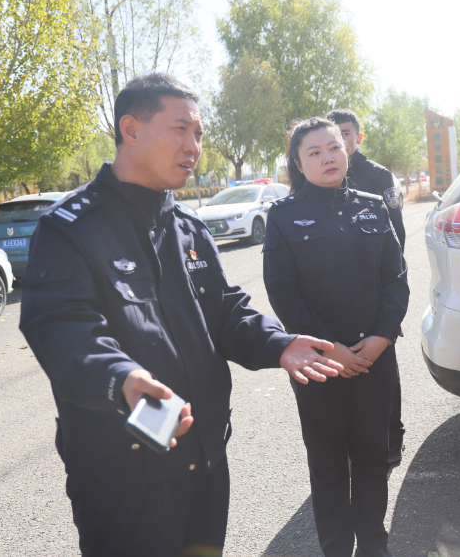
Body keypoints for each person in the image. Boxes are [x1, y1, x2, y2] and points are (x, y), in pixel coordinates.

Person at [19, 74, 343, 557]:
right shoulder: (70, 228)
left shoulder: (188, 227)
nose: (193, 146)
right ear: (131, 129)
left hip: (204, 460)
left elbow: (226, 310)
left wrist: (279, 343)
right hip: (123, 474)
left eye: (198, 134)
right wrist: (121, 377)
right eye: (179, 129)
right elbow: (61, 328)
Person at [263, 117, 409, 557]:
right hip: (318, 363)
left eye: (334, 148)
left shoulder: (371, 205)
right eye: (314, 152)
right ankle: (335, 549)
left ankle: (373, 546)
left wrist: (384, 336)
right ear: (298, 163)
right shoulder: (284, 217)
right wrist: (332, 349)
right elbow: (283, 293)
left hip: (375, 357)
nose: (327, 157)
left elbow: (396, 279)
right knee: (327, 465)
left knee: (373, 458)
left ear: (348, 152)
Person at [327, 107, 408, 469]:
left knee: (383, 370)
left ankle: (392, 438)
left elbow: (397, 233)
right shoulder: (321, 174)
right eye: (335, 133)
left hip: (376, 289)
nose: (341, 140)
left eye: (346, 133)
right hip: (336, 294)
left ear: (358, 137)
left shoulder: (377, 176)